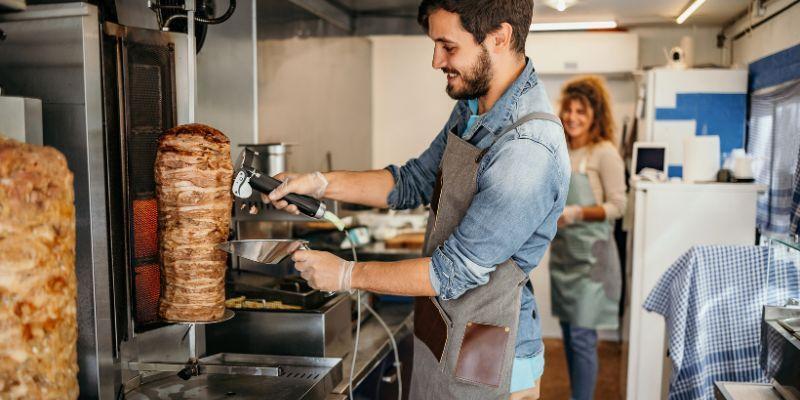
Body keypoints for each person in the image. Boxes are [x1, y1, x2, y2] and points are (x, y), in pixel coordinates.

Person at [266, 1, 569, 398]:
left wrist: (346, 275)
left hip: (491, 350)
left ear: (500, 37)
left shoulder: (528, 149)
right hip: (443, 326)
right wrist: (319, 183)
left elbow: (451, 273)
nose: (435, 61)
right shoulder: (473, 108)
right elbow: (413, 181)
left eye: (448, 46)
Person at [549, 75, 627, 400]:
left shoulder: (604, 153)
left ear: (595, 114)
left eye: (581, 111)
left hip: (593, 260)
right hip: (565, 255)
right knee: (569, 333)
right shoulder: (560, 150)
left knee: (582, 337)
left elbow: (619, 206)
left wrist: (578, 212)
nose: (572, 118)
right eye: (568, 110)